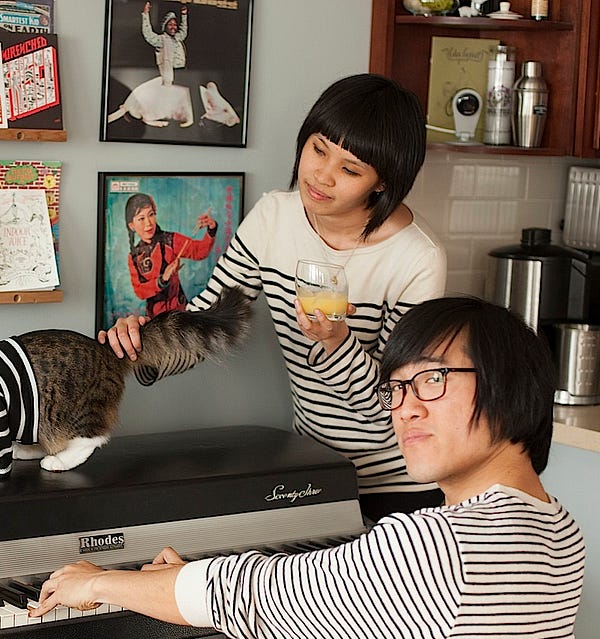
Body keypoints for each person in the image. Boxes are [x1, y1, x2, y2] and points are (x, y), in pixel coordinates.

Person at [35, 296, 585, 639]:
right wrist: (199, 585)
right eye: (396, 389)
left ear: (509, 384)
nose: (405, 409)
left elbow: (246, 596)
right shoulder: (557, 531)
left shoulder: (441, 545)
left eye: (432, 379)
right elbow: (396, 638)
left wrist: (98, 580)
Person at [100, 74, 447, 524]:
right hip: (313, 471)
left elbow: (394, 406)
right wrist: (139, 343)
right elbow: (211, 322)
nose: (321, 175)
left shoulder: (417, 258)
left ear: (382, 183)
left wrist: (337, 343)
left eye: (350, 169)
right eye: (318, 149)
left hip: (397, 489)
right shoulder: (274, 217)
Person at [125, 193, 217, 317]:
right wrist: (163, 279)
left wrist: (211, 229)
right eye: (141, 219)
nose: (148, 223)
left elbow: (199, 251)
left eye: (151, 215)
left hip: (179, 310)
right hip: (155, 317)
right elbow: (140, 291)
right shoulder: (134, 257)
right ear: (132, 226)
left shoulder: (170, 240)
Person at [142, 2, 188, 86]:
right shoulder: (161, 40)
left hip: (182, 73)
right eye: (170, 24)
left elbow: (184, 30)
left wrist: (184, 15)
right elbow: (148, 33)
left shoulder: (178, 37)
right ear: (165, 26)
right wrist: (145, 14)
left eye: (175, 25)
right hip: (169, 75)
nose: (173, 27)